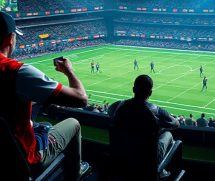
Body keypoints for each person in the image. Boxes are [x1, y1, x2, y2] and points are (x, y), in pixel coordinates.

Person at [0, 11, 91, 180]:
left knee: (42, 125)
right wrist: (69, 71)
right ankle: (75, 173)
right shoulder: (18, 72)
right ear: (10, 38)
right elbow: (81, 98)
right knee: (73, 123)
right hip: (23, 160)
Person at [108, 75, 179, 177]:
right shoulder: (155, 110)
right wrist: (160, 127)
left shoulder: (119, 105)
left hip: (122, 153)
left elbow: (110, 113)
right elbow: (176, 124)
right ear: (150, 93)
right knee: (168, 134)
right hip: (147, 158)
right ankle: (161, 171)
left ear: (133, 89)